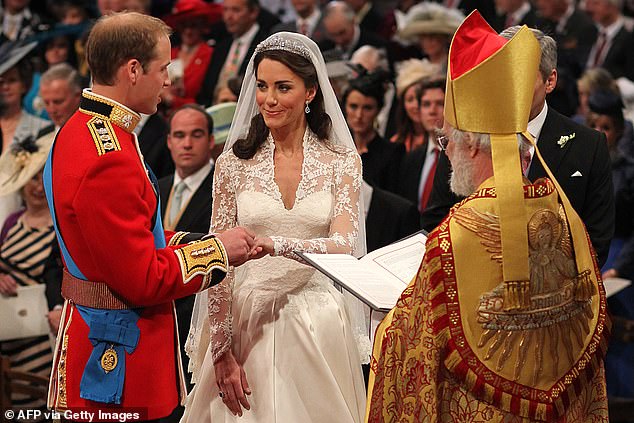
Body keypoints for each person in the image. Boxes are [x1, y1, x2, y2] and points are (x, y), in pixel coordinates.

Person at [367, 12, 609, 421]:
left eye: (448, 140)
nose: (445, 151)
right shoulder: (558, 209)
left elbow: (412, 340)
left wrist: (386, 323)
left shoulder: (457, 234)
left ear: (474, 147)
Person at [43, 12, 259, 420]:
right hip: (117, 352)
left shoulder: (80, 129)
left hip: (94, 331)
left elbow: (122, 239)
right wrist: (217, 252)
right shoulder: (109, 157)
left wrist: (190, 239)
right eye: (163, 68)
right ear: (133, 69)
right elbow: (142, 278)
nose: (168, 80)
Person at [182, 32, 367, 422]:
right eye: (263, 86)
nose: (268, 98)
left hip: (316, 319)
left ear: (310, 92)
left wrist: (279, 244)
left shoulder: (341, 160)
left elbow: (345, 243)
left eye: (283, 87)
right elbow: (218, 261)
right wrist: (220, 349)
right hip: (248, 318)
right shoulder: (233, 163)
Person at [422, 26, 614, 268]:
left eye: (519, 75)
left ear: (550, 81)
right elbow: (436, 221)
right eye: (500, 74)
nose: (507, 87)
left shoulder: (589, 146)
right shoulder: (466, 137)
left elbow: (596, 240)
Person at [0, 131, 61, 413]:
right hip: (8, 337)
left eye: (43, 177)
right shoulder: (12, 222)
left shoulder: (62, 227)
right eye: (33, 178)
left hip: (46, 338)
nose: (38, 186)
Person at [196, 0, 269, 107]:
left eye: (236, 10)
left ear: (253, 12)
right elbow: (206, 90)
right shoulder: (221, 45)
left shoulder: (266, 46)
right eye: (225, 10)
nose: (228, 17)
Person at [343, 70, 405, 194]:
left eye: (367, 108)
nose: (359, 115)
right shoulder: (335, 149)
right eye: (353, 106)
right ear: (345, 107)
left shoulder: (393, 153)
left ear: (378, 110)